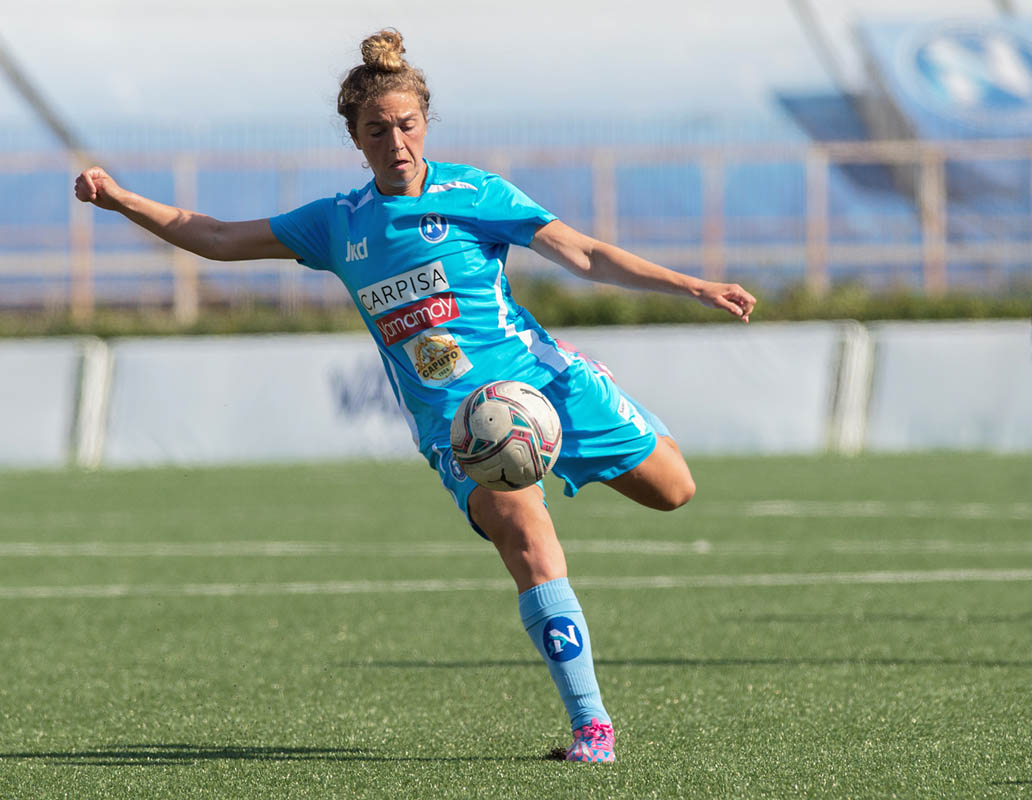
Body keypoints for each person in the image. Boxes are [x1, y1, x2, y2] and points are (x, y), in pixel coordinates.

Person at [74, 28, 755, 764]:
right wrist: (120, 200)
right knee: (528, 543)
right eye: (378, 131)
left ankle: (603, 392)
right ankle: (592, 727)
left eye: (407, 125)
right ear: (355, 139)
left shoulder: (474, 192)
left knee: (673, 491)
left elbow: (584, 254)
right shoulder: (337, 224)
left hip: (545, 385)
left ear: (425, 122)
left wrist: (693, 285)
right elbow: (215, 236)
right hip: (461, 428)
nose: (396, 143)